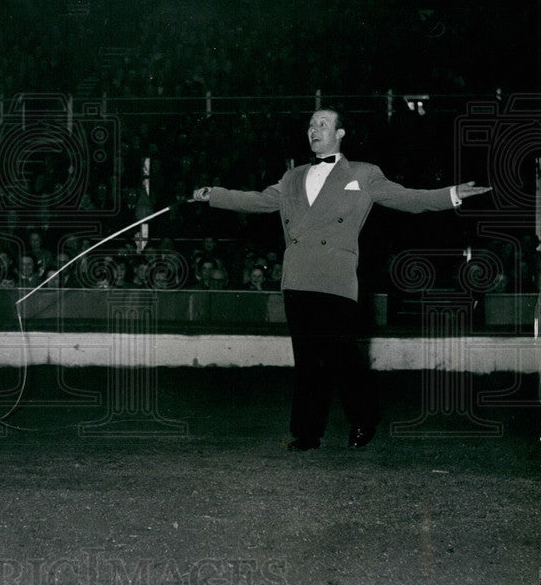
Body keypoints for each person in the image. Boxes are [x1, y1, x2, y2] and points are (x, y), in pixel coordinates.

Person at [192, 108, 491, 451]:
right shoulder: (292, 177)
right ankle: (306, 433)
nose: (313, 130)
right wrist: (213, 194)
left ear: (341, 133)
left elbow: (408, 198)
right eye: (310, 125)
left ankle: (363, 420)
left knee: (343, 356)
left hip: (336, 278)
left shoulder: (364, 174)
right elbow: (257, 201)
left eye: (322, 124)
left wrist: (450, 194)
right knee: (306, 359)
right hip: (298, 277)